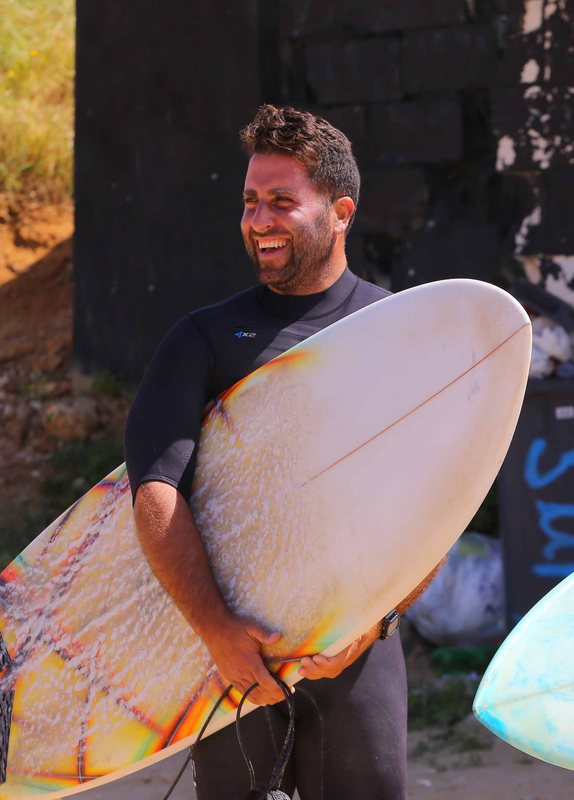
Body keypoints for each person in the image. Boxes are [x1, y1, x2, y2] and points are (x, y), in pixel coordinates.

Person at [124, 105, 440, 800]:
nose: (258, 219)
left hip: (358, 656)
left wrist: (373, 624)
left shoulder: (397, 332)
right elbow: (155, 490)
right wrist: (215, 630)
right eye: (249, 202)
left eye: (281, 202)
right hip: (235, 654)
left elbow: (438, 500)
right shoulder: (202, 340)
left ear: (340, 210)